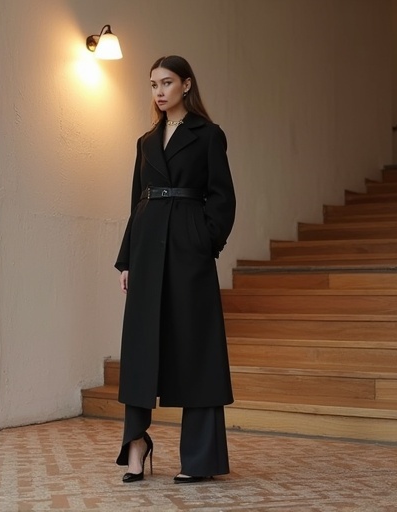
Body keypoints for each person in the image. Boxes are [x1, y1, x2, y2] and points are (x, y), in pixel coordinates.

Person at [114, 55, 236, 484]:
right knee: (141, 345)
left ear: (186, 85)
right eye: (152, 85)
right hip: (147, 248)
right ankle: (136, 443)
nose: (159, 92)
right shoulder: (145, 142)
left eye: (166, 83)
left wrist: (204, 242)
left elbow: (223, 198)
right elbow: (136, 203)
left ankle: (199, 459)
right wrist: (127, 259)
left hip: (189, 247)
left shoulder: (208, 135)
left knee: (196, 346)